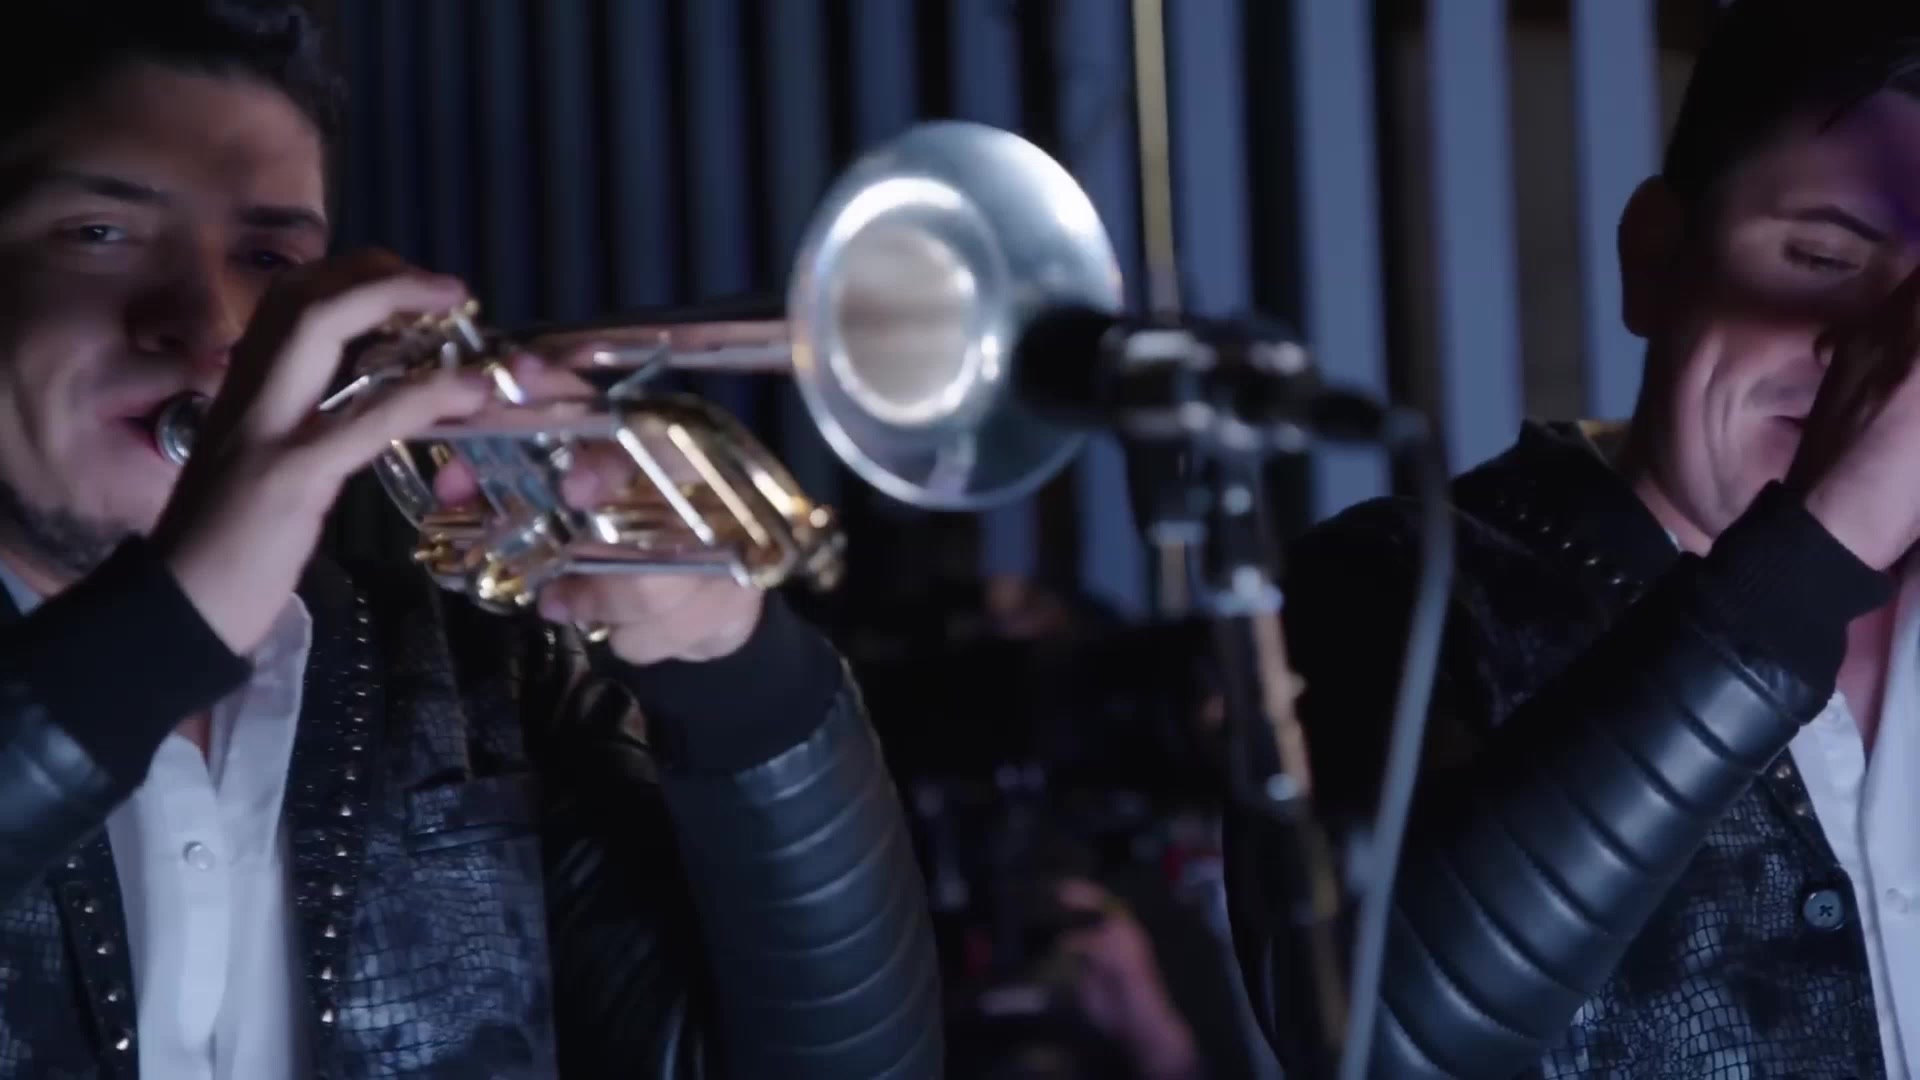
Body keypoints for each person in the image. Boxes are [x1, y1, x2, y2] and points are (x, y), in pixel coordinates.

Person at [0, 2, 939, 1078]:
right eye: (99, 234)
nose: (208, 325)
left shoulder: (486, 686)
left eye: (268, 254)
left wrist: (733, 672)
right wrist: (175, 623)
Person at [1225, 2, 1920, 1078]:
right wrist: (1814, 554)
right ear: (1655, 257)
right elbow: (1370, 1036)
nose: (1889, 364)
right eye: (1825, 257)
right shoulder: (1400, 589)